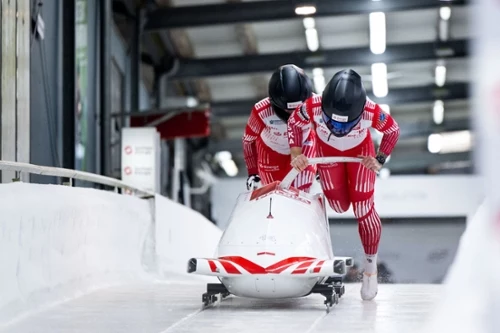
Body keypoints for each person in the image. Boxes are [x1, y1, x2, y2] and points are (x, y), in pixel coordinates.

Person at [287, 69, 400, 301]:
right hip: (328, 156)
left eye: (344, 125)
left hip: (360, 156)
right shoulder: (312, 106)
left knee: (362, 209)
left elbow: (392, 130)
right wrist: (296, 153)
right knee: (338, 206)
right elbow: (293, 123)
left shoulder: (371, 111)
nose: (337, 130)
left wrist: (379, 159)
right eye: (332, 123)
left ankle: (370, 270)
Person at [242, 64, 317, 191]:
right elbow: (248, 141)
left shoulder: (316, 104)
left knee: (301, 188)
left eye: (299, 109)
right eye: (289, 110)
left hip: (304, 145)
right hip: (271, 152)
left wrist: (322, 167)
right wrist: (253, 172)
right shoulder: (261, 111)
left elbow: (325, 135)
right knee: (276, 191)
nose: (294, 115)